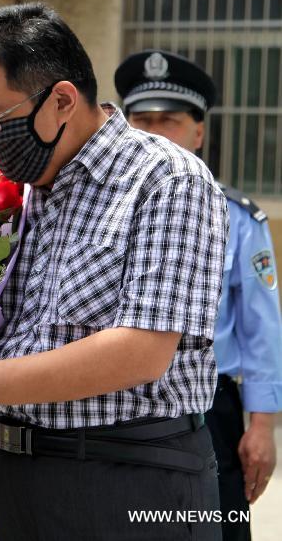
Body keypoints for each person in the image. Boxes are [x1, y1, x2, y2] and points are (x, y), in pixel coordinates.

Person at [0, 3, 229, 540]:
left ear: (62, 100)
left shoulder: (167, 180)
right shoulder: (20, 190)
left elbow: (140, 351)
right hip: (20, 479)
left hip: (133, 477)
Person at [118, 49, 282, 541]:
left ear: (198, 132)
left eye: (168, 120)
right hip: (121, 406)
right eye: (141, 120)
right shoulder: (104, 214)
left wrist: (263, 425)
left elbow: (260, 329)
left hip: (211, 410)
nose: (153, 132)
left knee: (212, 528)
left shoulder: (237, 218)